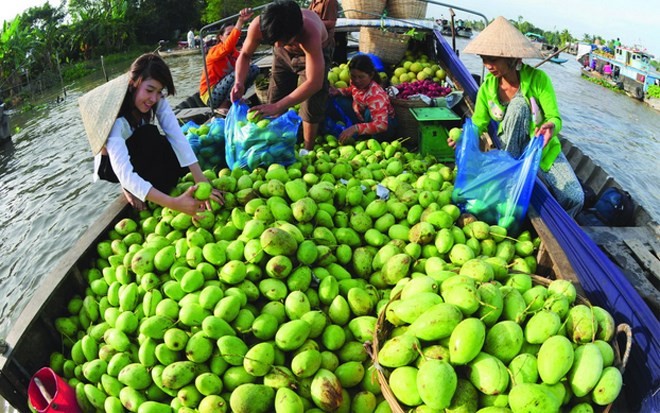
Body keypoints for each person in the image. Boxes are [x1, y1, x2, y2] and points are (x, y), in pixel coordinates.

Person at [452, 16, 584, 217]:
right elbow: (478, 123)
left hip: (540, 150)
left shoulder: (538, 80)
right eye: (484, 59)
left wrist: (551, 126)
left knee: (575, 198)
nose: (487, 65)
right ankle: (510, 178)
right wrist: (462, 136)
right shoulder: (487, 89)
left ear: (512, 58)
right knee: (519, 107)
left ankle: (561, 228)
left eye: (493, 59)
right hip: (509, 154)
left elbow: (555, 118)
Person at [78, 53, 223, 216]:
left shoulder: (156, 98)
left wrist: (200, 178)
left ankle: (143, 186)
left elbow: (176, 134)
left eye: (159, 91)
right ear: (134, 84)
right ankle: (127, 188)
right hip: (112, 164)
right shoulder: (115, 120)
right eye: (149, 90)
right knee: (149, 135)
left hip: (137, 145)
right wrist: (175, 204)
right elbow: (125, 172)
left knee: (173, 164)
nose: (153, 98)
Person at [230, 0, 330, 150]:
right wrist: (239, 82)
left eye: (282, 40)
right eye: (273, 41)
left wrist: (278, 106)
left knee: (310, 104)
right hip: (283, 56)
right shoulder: (260, 25)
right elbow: (244, 55)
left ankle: (308, 148)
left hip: (314, 53)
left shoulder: (310, 32)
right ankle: (275, 143)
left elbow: (314, 83)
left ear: (296, 32)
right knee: (275, 95)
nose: (276, 45)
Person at [199, 8, 260, 114]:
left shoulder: (235, 53)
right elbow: (228, 46)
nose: (233, 37)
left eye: (234, 34)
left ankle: (235, 99)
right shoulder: (214, 51)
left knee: (253, 69)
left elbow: (245, 64)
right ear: (220, 37)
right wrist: (240, 21)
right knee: (236, 74)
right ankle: (223, 105)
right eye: (229, 34)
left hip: (225, 89)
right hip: (211, 95)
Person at [329, 54, 396, 143]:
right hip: (361, 116)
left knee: (369, 113)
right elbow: (352, 90)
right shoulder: (355, 82)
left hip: (385, 127)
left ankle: (375, 140)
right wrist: (339, 91)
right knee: (339, 100)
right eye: (353, 76)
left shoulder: (376, 95)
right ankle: (360, 134)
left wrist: (356, 128)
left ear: (371, 75)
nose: (357, 80)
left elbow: (382, 125)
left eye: (361, 77)